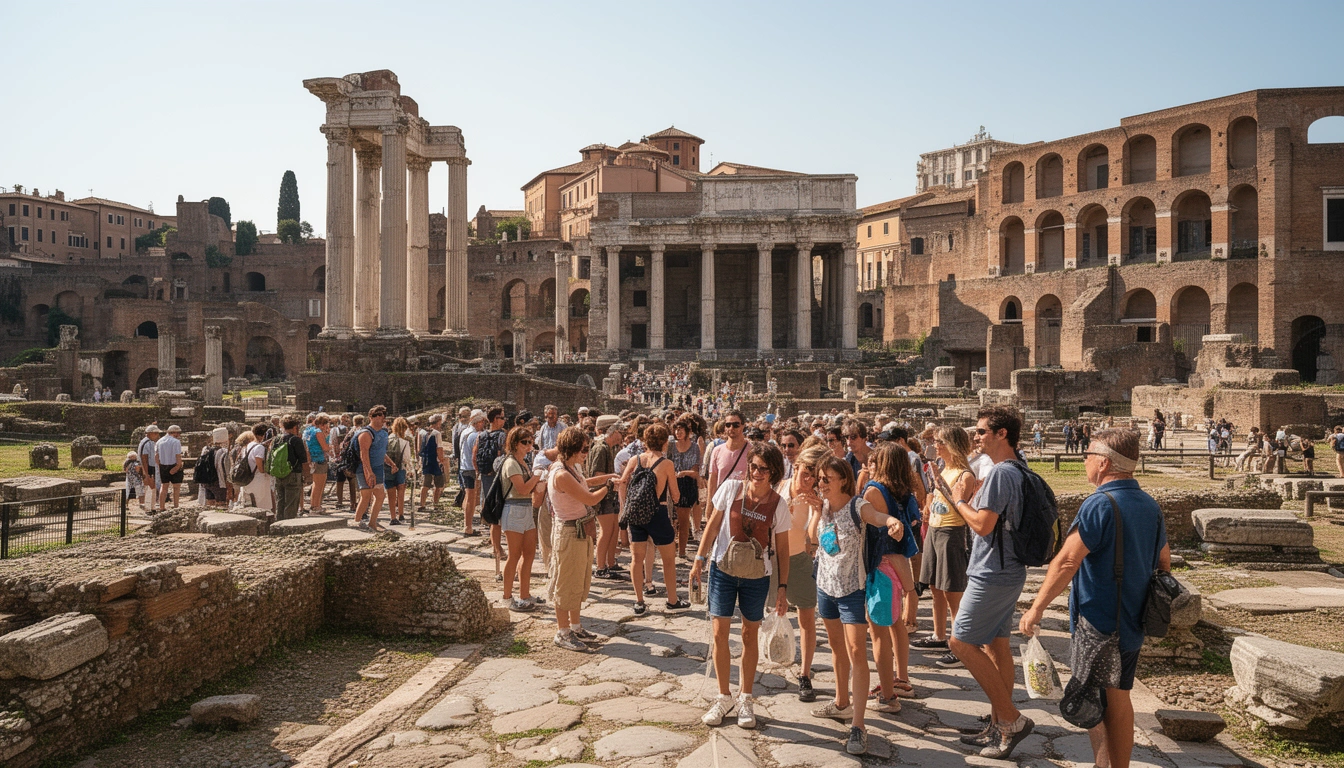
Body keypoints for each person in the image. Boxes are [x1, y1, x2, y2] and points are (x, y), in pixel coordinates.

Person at [1020, 429, 1170, 768]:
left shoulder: (1100, 504)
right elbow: (1164, 563)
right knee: (1119, 698)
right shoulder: (1150, 505)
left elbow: (1067, 561)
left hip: (1098, 622)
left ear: (1104, 463)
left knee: (1093, 702)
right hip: (1133, 620)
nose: (1085, 461)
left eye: (1087, 455)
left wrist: (1036, 608)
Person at [944, 405, 1034, 759]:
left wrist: (959, 501)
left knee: (960, 641)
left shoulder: (1000, 474)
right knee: (997, 645)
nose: (976, 436)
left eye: (981, 431)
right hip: (1008, 568)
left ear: (1001, 434)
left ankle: (1011, 720)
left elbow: (982, 525)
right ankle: (998, 724)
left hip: (993, 571)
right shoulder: (1018, 467)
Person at [689, 442, 792, 731]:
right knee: (719, 633)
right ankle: (724, 697)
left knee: (749, 634)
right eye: (754, 466)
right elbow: (713, 524)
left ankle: (745, 697)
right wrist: (699, 559)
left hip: (757, 576)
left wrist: (782, 588)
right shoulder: (732, 489)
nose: (757, 473)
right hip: (723, 569)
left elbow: (783, 549)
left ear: (774, 472)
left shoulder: (778, 504)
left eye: (764, 469)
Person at [809, 455, 906, 756]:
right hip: (825, 586)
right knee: (837, 649)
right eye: (819, 478)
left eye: (826, 478)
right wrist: (816, 512)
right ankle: (841, 702)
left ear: (843, 480)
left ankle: (858, 725)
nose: (821, 483)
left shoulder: (856, 506)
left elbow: (876, 517)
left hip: (851, 589)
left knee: (855, 652)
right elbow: (812, 539)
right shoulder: (824, 505)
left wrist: (891, 521)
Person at [861, 443, 920, 709]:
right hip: (898, 566)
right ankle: (901, 679)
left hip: (880, 566)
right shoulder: (904, 494)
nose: (870, 464)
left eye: (875, 460)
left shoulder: (874, 491)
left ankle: (887, 695)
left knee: (878, 632)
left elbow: (875, 531)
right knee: (896, 625)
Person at [913, 425, 976, 668]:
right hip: (934, 529)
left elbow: (962, 507)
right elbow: (934, 494)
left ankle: (960, 645)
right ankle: (939, 635)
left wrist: (941, 486)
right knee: (934, 585)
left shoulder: (964, 475)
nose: (936, 445)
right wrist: (929, 501)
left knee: (952, 590)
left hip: (952, 531)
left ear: (953, 445)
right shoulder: (943, 468)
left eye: (940, 442)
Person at [548, 426, 612, 651]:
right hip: (569, 532)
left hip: (579, 530)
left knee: (578, 581)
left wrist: (609, 477)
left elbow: (585, 484)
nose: (587, 453)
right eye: (584, 449)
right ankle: (563, 632)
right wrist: (609, 487)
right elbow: (590, 498)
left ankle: (575, 626)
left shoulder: (571, 468)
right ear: (572, 448)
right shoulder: (562, 474)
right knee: (565, 583)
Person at [776, 443, 826, 702]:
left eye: (814, 477)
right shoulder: (779, 487)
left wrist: (818, 512)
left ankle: (805, 673)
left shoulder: (817, 499)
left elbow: (812, 542)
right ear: (795, 467)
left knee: (806, 617)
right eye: (805, 474)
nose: (809, 481)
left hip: (799, 560)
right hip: (773, 558)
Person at [622, 423, 687, 614]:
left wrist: (627, 505)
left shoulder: (635, 459)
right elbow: (675, 495)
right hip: (658, 512)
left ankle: (639, 601)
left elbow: (623, 482)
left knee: (636, 559)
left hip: (636, 513)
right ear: (665, 442)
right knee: (668, 559)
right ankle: (672, 600)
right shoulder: (666, 464)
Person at [500, 426, 543, 611]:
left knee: (529, 553)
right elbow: (523, 489)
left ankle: (525, 594)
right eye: (524, 442)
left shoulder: (523, 462)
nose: (528, 445)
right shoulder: (510, 463)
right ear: (515, 443)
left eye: (530, 442)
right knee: (514, 555)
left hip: (525, 509)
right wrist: (537, 476)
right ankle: (507, 597)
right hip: (514, 509)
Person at [587, 417, 624, 579]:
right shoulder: (600, 448)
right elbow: (597, 475)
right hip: (602, 494)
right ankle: (601, 567)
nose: (621, 434)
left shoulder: (608, 448)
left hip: (609, 492)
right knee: (606, 530)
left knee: (614, 529)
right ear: (612, 431)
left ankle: (610, 563)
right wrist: (613, 479)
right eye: (619, 431)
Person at [668, 415, 703, 560]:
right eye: (676, 429)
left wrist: (683, 473)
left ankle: (681, 551)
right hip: (671, 482)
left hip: (687, 484)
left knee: (683, 520)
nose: (678, 432)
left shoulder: (694, 447)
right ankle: (670, 549)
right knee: (670, 520)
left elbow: (696, 471)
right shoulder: (671, 445)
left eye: (681, 429)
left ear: (687, 431)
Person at [354, 405, 392, 532]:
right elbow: (363, 454)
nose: (380, 417)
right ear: (371, 417)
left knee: (380, 495)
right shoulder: (366, 433)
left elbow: (381, 451)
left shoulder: (383, 433)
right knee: (366, 495)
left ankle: (372, 522)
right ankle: (356, 522)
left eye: (382, 415)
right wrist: (369, 472)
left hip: (378, 467)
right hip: (365, 468)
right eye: (377, 415)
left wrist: (391, 463)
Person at [708, 410, 750, 501]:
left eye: (736, 425)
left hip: (744, 502)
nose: (731, 428)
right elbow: (712, 482)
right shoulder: (717, 451)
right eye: (728, 425)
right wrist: (709, 507)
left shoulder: (752, 451)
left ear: (743, 426)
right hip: (722, 502)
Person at [274, 415, 309, 521]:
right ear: (294, 427)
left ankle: (278, 523)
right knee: (291, 503)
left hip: (279, 473)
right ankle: (288, 525)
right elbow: (303, 460)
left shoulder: (277, 439)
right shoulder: (296, 440)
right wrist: (307, 475)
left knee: (280, 501)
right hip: (293, 473)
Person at [384, 417, 415, 525]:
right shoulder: (404, 442)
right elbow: (406, 458)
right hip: (401, 468)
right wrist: (410, 470)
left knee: (391, 493)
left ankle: (393, 517)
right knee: (401, 492)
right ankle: (401, 514)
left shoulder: (387, 439)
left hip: (388, 469)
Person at [459, 410, 486, 535]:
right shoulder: (475, 435)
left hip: (463, 466)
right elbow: (476, 454)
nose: (484, 424)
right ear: (478, 422)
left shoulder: (464, 432)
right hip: (471, 468)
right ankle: (468, 527)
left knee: (467, 496)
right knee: (471, 498)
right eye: (483, 421)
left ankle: (466, 523)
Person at [418, 414, 447, 510]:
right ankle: (435, 504)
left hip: (425, 460)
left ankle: (422, 504)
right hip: (435, 461)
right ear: (438, 422)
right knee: (438, 484)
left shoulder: (421, 432)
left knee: (425, 483)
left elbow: (418, 448)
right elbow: (439, 448)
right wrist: (442, 460)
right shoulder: (437, 434)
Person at [304, 414, 332, 514]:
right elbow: (325, 447)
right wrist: (330, 445)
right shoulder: (318, 432)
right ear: (323, 424)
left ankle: (315, 505)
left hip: (313, 459)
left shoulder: (308, 430)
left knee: (316, 484)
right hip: (319, 459)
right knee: (319, 485)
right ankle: (315, 506)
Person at [244, 423, 273, 511]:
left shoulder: (249, 445)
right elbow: (260, 467)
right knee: (262, 506)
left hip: (249, 478)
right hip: (259, 479)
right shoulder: (259, 447)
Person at [155, 425, 185, 512]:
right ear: (174, 433)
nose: (179, 435)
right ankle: (176, 506)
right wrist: (178, 466)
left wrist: (160, 466)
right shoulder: (176, 442)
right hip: (174, 465)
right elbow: (178, 455)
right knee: (176, 487)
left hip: (163, 465)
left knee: (164, 486)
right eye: (178, 433)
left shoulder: (159, 441)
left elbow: (156, 456)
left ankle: (162, 506)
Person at [136, 425, 160, 512]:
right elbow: (144, 458)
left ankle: (152, 507)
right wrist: (146, 474)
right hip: (148, 468)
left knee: (152, 488)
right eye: (155, 433)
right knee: (149, 487)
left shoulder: (150, 442)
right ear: (150, 433)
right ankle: (149, 508)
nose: (157, 435)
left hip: (151, 467)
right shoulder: (146, 443)